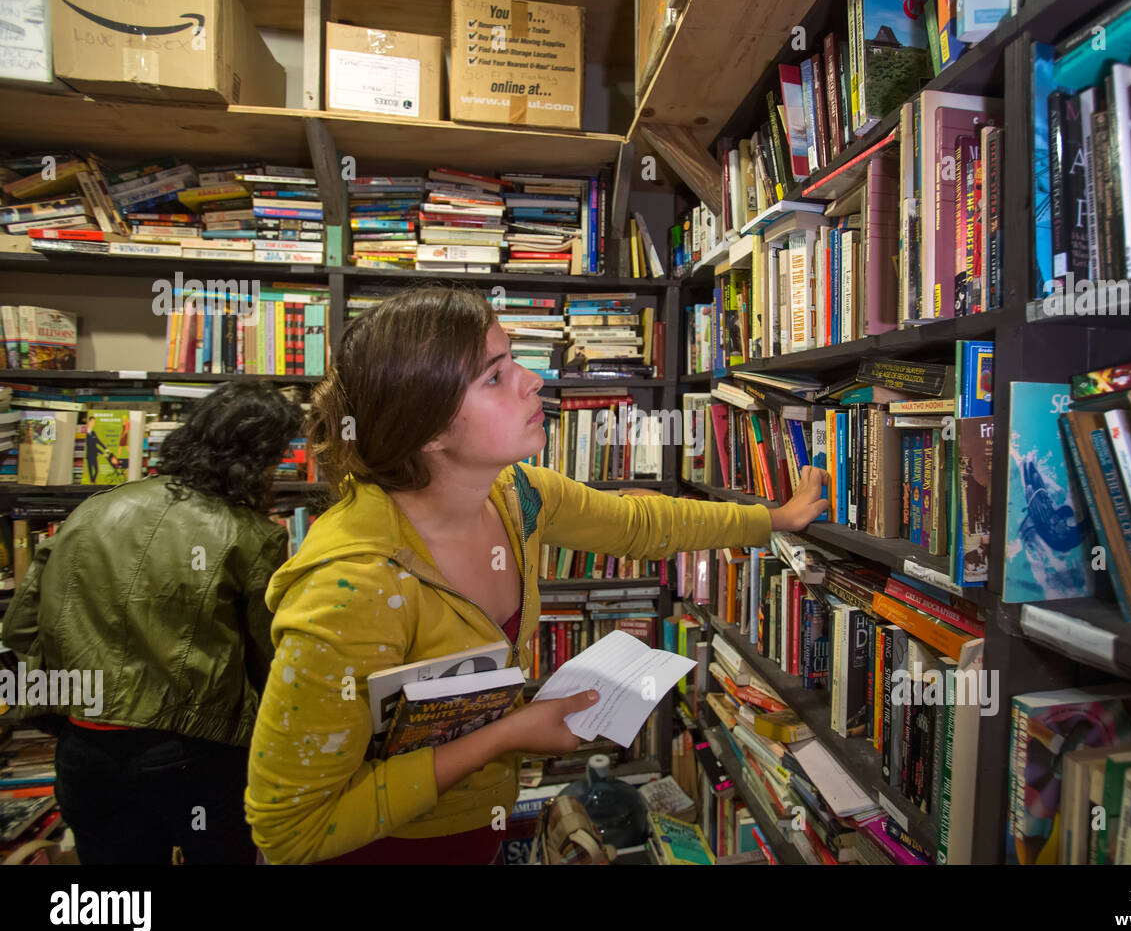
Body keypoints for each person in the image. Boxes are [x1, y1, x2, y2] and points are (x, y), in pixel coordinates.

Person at [244, 286, 829, 865]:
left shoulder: (514, 494)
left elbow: (635, 521)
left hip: (479, 834)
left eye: (512, 361)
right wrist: (504, 736)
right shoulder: (350, 587)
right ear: (429, 429)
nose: (533, 380)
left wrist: (774, 519)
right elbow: (290, 831)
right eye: (494, 377)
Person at [2, 381, 304, 864]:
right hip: (193, 751)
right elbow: (270, 662)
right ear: (259, 459)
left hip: (84, 747)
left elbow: (19, 628)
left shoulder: (93, 509)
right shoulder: (251, 536)